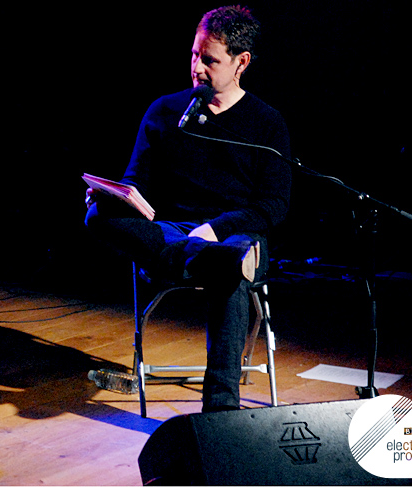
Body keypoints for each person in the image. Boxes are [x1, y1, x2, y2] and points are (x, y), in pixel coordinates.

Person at [85, 6, 291, 412]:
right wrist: (113, 196)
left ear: (241, 63)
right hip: (173, 232)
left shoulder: (267, 123)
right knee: (97, 216)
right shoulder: (165, 110)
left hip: (236, 235)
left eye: (209, 60)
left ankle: (220, 410)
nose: (197, 68)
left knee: (231, 266)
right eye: (194, 55)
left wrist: (216, 229)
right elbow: (136, 182)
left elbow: (274, 205)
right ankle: (206, 256)